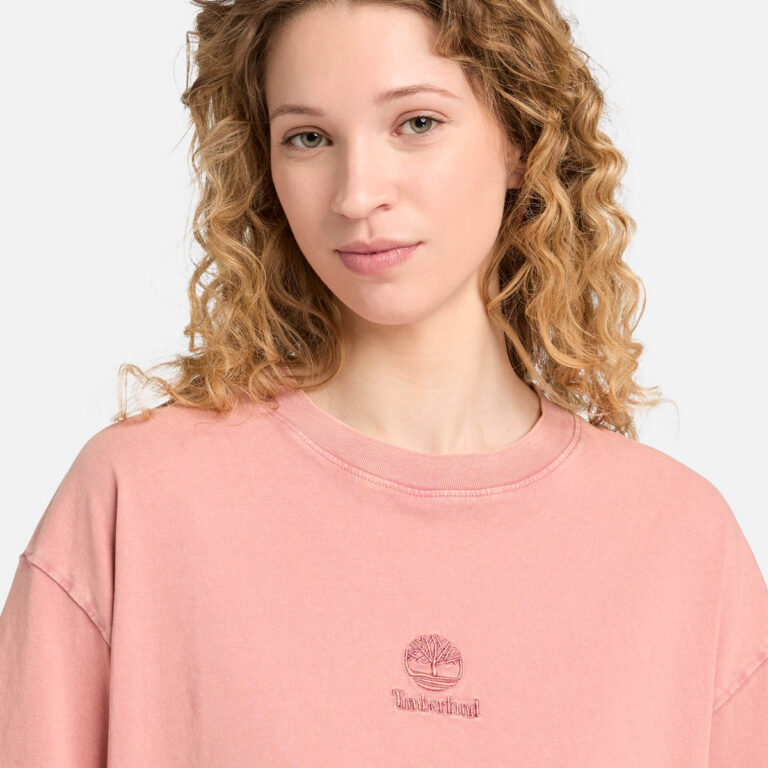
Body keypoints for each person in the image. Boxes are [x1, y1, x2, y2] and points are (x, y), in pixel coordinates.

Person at [1, 0, 766, 765]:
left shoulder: (683, 546)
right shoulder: (139, 499)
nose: (356, 194)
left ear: (520, 140)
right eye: (308, 138)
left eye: (416, 123)